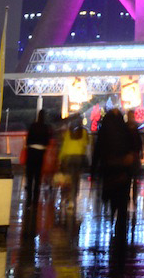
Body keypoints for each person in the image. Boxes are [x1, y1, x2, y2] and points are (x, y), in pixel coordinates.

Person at [92, 104, 138, 261]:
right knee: (123, 204)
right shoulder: (125, 130)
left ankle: (112, 218)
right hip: (123, 174)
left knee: (113, 200)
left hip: (109, 172)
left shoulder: (105, 132)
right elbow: (133, 149)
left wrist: (93, 171)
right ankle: (121, 233)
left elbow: (97, 151)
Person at [57, 113, 90, 226]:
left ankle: (65, 198)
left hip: (68, 158)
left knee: (68, 179)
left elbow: (64, 147)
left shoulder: (68, 134)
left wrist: (60, 159)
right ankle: (72, 200)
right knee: (76, 179)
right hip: (79, 158)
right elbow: (86, 143)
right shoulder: (84, 133)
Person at [24, 109, 52, 217]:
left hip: (31, 153)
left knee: (29, 177)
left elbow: (28, 140)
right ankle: (35, 201)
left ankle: (28, 201)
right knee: (37, 177)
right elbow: (47, 141)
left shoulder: (32, 126)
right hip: (40, 154)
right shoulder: (46, 127)